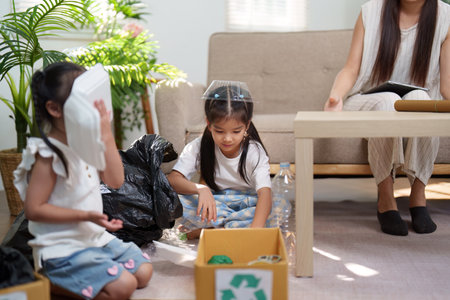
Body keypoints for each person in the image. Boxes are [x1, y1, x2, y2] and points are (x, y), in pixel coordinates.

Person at [13, 62, 153, 300]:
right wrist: (84, 215)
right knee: (123, 288)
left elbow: (116, 180)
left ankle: (93, 269)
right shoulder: (49, 155)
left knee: (144, 272)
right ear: (55, 109)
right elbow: (34, 209)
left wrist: (107, 136)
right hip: (63, 247)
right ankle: (49, 278)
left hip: (93, 237)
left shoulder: (84, 141)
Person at [324, 0, 450, 236]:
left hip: (412, 102)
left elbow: (447, 85)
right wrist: (335, 96)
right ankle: (386, 199)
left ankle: (418, 197)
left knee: (422, 100)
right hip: (367, 100)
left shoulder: (446, 18)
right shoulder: (370, 12)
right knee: (388, 101)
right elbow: (351, 68)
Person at [167, 80, 288, 239]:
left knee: (279, 207)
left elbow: (264, 194)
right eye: (219, 131)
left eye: (236, 131)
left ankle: (210, 232)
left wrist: (254, 234)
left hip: (248, 203)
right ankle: (231, 230)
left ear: (247, 125)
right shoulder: (197, 146)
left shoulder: (254, 151)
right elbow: (172, 180)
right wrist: (200, 189)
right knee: (172, 200)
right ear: (209, 124)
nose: (228, 139)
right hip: (216, 203)